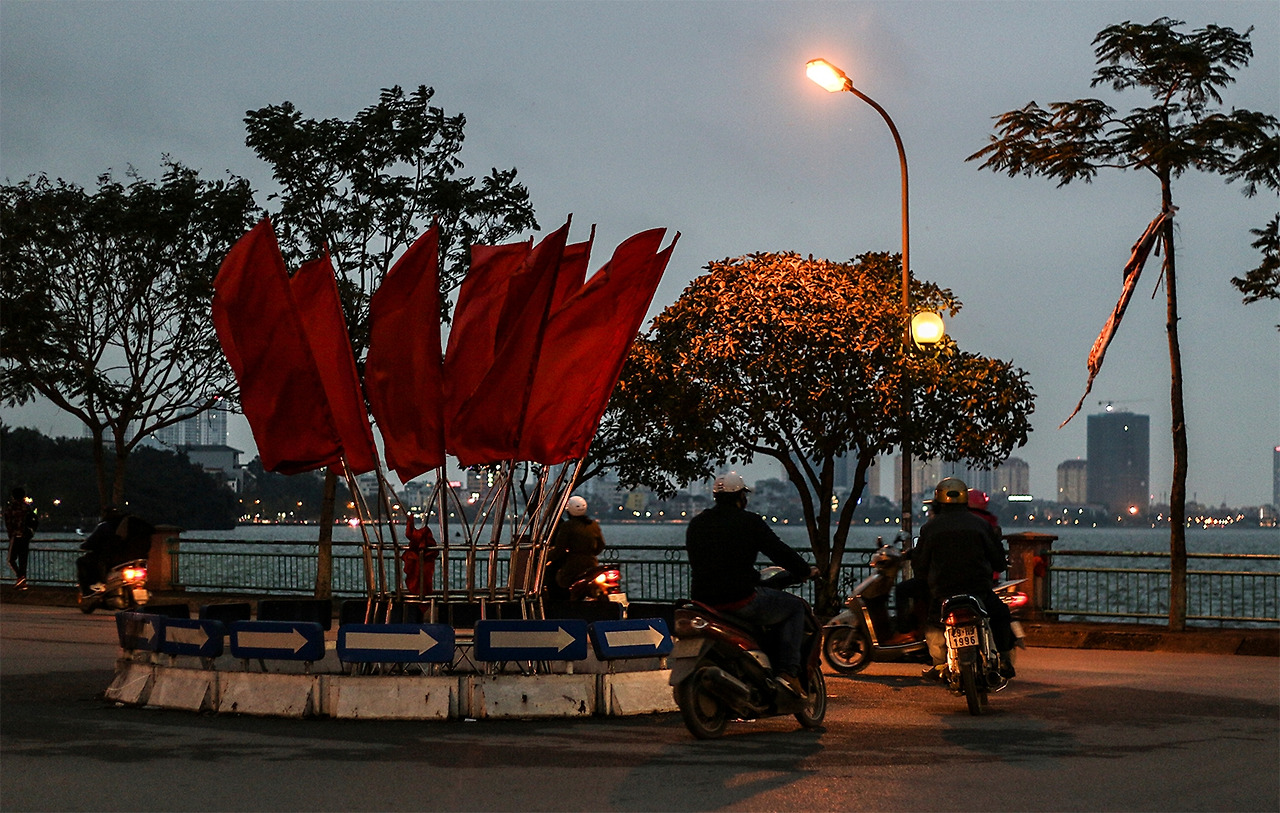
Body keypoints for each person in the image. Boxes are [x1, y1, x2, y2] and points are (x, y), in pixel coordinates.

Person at [685, 471, 819, 697]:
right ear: (741, 497)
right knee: (795, 607)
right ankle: (788, 672)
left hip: (703, 602)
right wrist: (805, 571)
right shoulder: (749, 522)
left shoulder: (697, 523)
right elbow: (778, 551)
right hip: (740, 599)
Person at [913, 477, 1016, 678]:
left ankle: (939, 665)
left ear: (939, 500)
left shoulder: (930, 528)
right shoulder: (981, 525)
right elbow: (998, 560)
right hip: (978, 589)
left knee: (934, 624)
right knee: (1001, 614)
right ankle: (1004, 659)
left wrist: (925, 578)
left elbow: (920, 564)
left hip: (943, 591)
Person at [76, 506, 153, 597]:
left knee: (82, 561)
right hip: (139, 558)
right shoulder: (134, 526)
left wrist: (85, 545)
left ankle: (96, 585)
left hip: (118, 557)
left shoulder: (105, 526)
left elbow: (92, 541)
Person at [549, 496, 606, 591]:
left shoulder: (567, 526)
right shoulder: (593, 525)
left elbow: (560, 549)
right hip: (592, 564)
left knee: (561, 581)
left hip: (573, 566)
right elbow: (601, 545)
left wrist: (547, 557)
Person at [4, 487, 38, 590]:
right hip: (25, 536)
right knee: (23, 560)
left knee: (11, 559)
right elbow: (35, 519)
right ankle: (23, 581)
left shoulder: (11, 508)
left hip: (15, 536)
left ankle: (20, 577)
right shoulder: (27, 507)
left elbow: (8, 523)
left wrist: (10, 534)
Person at [402, 514, 439, 595]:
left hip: (421, 561)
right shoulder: (427, 547)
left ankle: (420, 593)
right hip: (423, 562)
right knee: (423, 580)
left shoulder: (415, 551)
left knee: (419, 580)